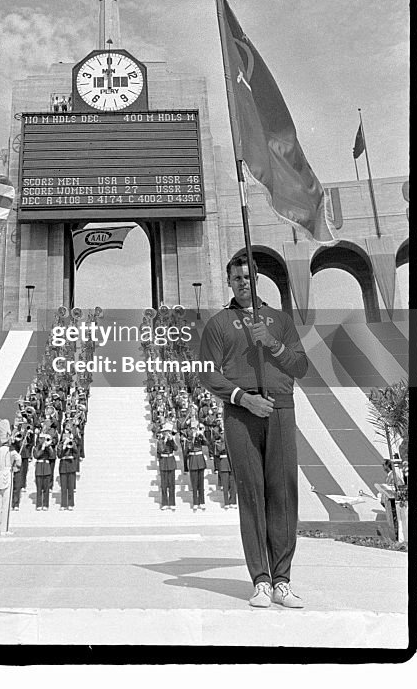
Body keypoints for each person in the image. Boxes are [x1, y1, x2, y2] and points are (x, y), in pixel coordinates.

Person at [200, 253, 308, 609]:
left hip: (280, 408)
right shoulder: (218, 324)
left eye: (248, 277)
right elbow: (207, 372)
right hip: (241, 413)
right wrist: (243, 399)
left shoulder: (279, 320)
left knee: (282, 494)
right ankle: (261, 580)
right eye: (236, 278)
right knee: (252, 495)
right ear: (229, 282)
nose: (243, 283)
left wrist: (273, 343)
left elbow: (301, 365)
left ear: (257, 279)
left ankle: (282, 581)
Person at [0, 419, 21, 535]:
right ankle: (4, 529)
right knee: (5, 503)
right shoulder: (10, 450)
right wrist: (15, 467)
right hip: (7, 474)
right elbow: (19, 460)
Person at [156, 422, 178, 511]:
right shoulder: (160, 441)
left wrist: (172, 440)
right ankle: (164, 502)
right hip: (164, 462)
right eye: (165, 432)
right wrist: (164, 441)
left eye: (168, 432)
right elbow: (161, 450)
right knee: (164, 484)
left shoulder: (172, 440)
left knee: (172, 484)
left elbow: (176, 448)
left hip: (171, 461)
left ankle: (172, 502)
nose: (167, 433)